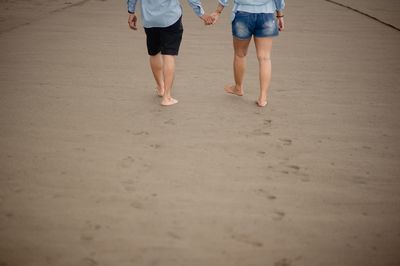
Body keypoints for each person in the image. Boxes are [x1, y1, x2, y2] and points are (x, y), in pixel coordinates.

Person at [127, 0, 214, 106]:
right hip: (170, 17)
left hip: (149, 19)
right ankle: (166, 97)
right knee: (169, 54)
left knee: (154, 53)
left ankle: (161, 87)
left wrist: (131, 12)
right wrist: (202, 14)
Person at [211, 0, 285, 107]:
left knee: (240, 54)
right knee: (265, 58)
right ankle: (263, 98)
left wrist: (218, 11)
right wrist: (280, 15)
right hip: (267, 14)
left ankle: (238, 87)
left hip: (243, 14)